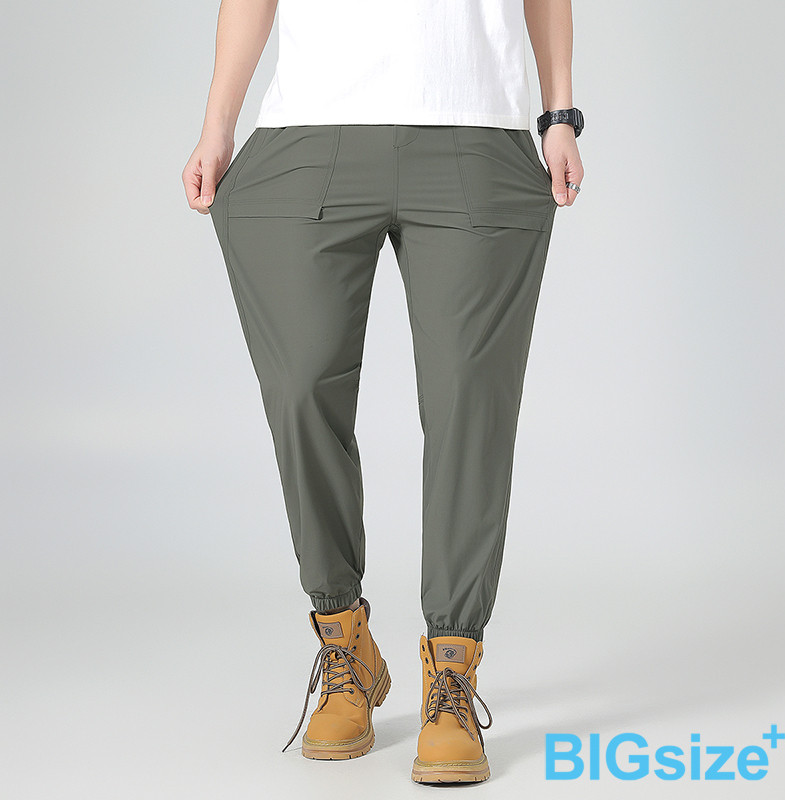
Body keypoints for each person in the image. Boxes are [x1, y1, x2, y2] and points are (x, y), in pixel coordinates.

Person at [182, 0, 584, 784]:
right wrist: (217, 124)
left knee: (471, 399)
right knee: (301, 385)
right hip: (311, 127)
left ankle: (453, 671)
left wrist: (559, 114)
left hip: (474, 124)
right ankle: (345, 643)